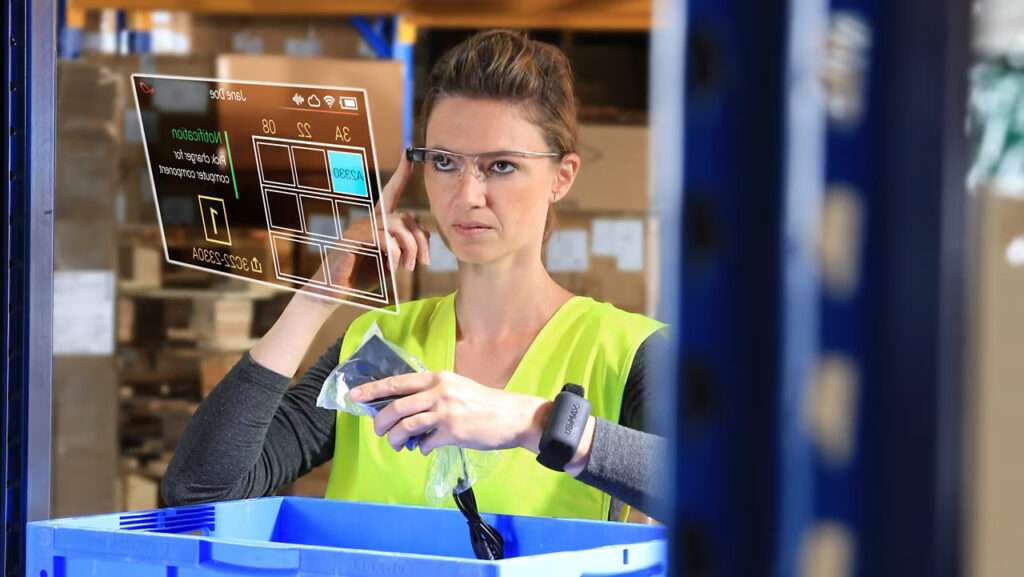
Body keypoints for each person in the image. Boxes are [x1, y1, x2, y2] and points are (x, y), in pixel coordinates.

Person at [162, 29, 668, 522]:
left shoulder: (626, 352)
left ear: (562, 177)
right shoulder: (375, 348)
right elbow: (199, 491)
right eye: (445, 162)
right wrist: (316, 296)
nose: (468, 195)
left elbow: (728, 499)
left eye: (501, 166)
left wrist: (533, 424)